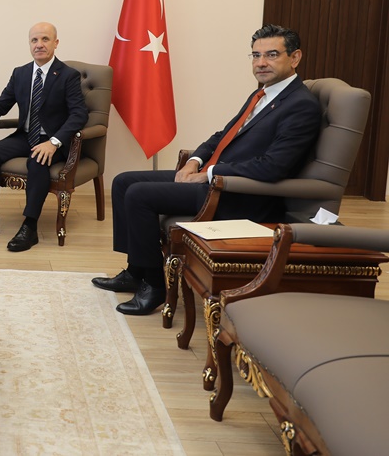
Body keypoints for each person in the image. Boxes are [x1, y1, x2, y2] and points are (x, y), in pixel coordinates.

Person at [93, 24, 322, 316]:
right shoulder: (263, 94)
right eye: (256, 55)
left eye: (272, 55)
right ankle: (136, 271)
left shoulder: (301, 105)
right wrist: (195, 161)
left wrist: (211, 174)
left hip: (240, 194)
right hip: (217, 180)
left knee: (139, 194)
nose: (261, 63)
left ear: (295, 57)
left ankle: (154, 286)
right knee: (124, 181)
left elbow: (273, 167)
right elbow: (223, 135)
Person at [0, 22, 88, 252]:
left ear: (56, 43)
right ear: (29, 44)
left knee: (37, 161)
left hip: (52, 141)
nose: (39, 45)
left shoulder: (68, 75)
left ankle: (30, 226)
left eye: (45, 39)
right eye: (34, 40)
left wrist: (54, 142)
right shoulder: (21, 73)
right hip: (25, 136)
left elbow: (79, 114)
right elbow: (1, 104)